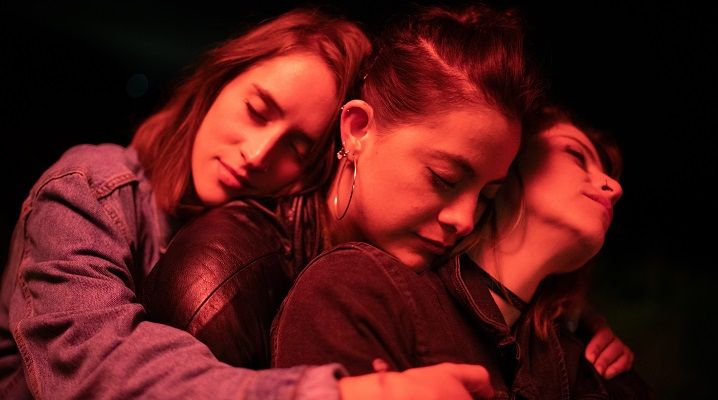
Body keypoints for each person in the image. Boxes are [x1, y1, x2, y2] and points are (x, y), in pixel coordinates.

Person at [144, 3, 539, 399]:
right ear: (358, 129)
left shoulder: (446, 264)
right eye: (444, 178)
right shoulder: (219, 285)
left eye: (487, 196)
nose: (465, 221)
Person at [0, 8, 388, 399]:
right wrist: (343, 393)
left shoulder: (274, 243)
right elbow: (93, 364)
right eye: (256, 111)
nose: (257, 154)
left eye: (296, 147)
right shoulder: (86, 190)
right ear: (218, 81)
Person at [272, 105, 653, 398]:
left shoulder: (586, 360)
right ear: (506, 164)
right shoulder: (361, 287)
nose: (613, 187)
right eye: (576, 155)